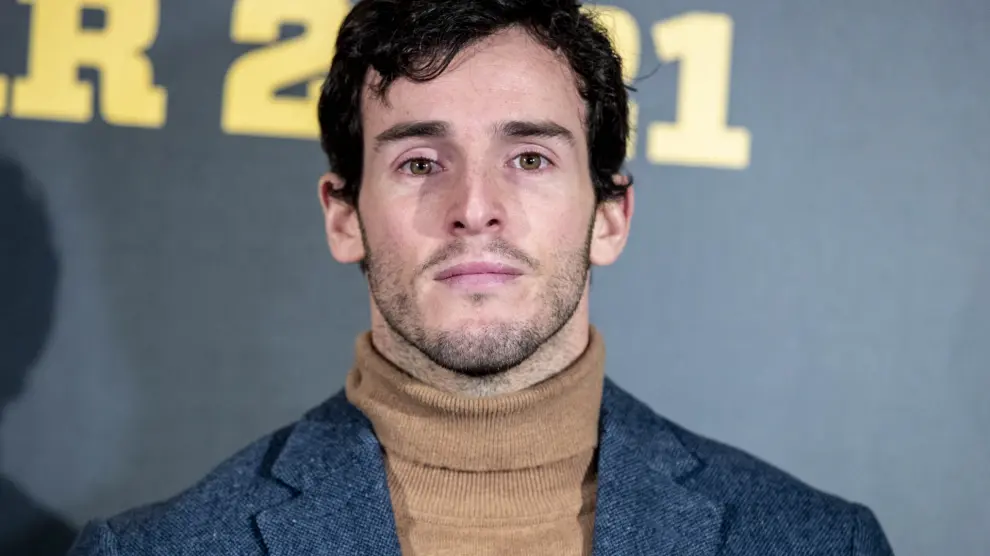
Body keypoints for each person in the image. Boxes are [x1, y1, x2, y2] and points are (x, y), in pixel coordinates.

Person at [68, 0, 895, 554]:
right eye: (421, 161)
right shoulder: (157, 550)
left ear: (610, 216)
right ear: (344, 216)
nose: (473, 208)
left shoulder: (819, 543)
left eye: (529, 158)